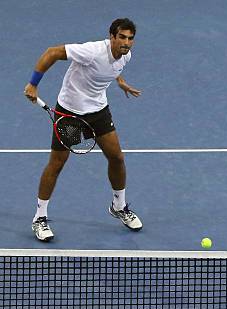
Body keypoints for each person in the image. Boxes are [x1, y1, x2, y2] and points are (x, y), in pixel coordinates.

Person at [24, 18, 143, 242]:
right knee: (57, 163)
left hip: (98, 111)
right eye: (122, 37)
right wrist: (33, 83)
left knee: (117, 157)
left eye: (130, 38)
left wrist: (120, 81)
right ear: (112, 37)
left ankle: (119, 206)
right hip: (69, 113)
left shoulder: (125, 55)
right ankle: (39, 217)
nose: (126, 42)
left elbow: (110, 68)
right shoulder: (91, 51)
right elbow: (52, 52)